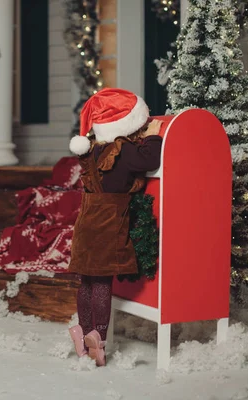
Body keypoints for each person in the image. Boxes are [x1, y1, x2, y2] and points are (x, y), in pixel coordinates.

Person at [67, 88, 163, 367]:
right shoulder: (124, 150)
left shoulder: (94, 149)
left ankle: (83, 334)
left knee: (86, 281)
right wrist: (154, 134)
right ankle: (99, 339)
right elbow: (151, 160)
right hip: (108, 225)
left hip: (85, 223)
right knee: (102, 283)